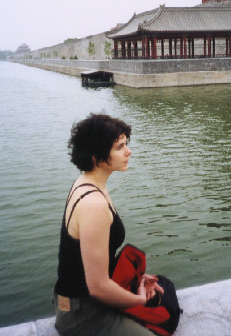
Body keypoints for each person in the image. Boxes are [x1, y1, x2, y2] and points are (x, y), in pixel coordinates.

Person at [53, 113, 163, 336]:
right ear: (97, 157)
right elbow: (98, 287)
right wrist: (139, 299)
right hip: (83, 316)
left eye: (126, 145)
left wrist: (137, 280)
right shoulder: (94, 204)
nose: (128, 151)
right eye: (120, 147)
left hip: (79, 303)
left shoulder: (87, 183)